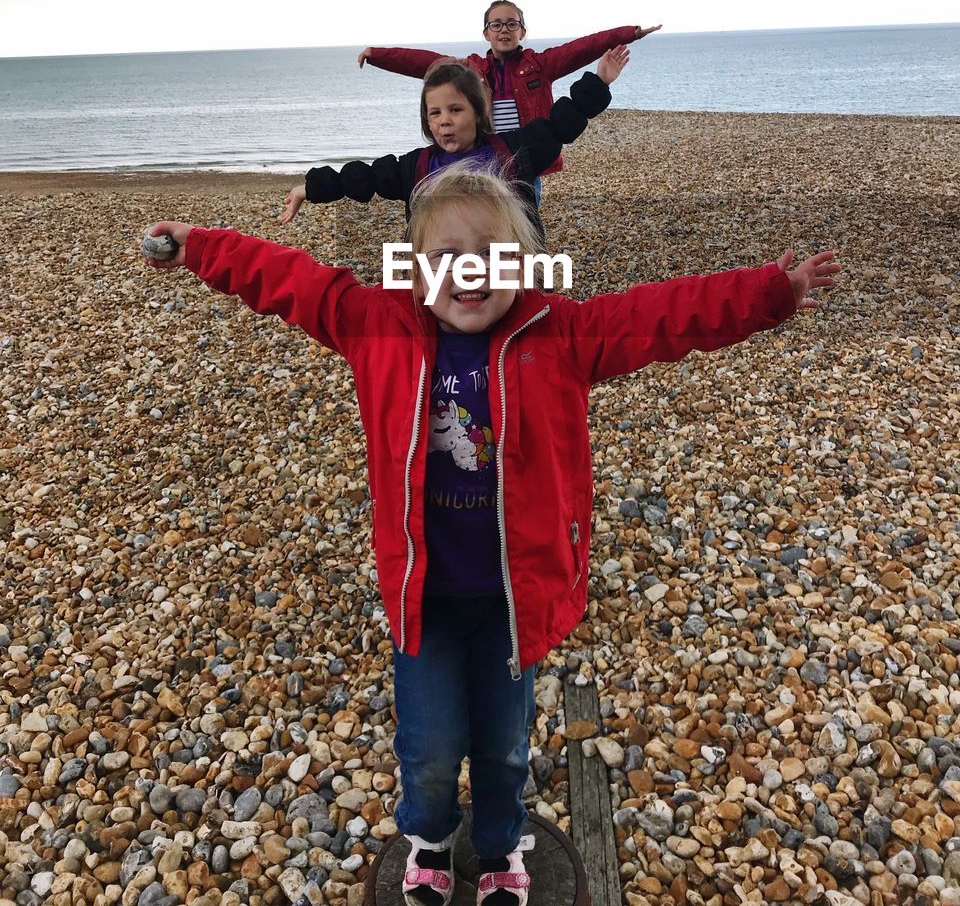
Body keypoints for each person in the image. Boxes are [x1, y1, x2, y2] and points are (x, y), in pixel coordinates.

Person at [144, 167, 839, 906]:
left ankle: (504, 847)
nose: (469, 273)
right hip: (426, 601)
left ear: (524, 265)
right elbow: (285, 279)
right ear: (414, 270)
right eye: (446, 257)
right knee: (431, 748)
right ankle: (431, 841)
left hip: (516, 599)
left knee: (506, 750)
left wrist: (769, 294)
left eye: (492, 255)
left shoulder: (561, 334)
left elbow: (661, 314)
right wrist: (199, 246)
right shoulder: (373, 324)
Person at [277, 45, 630, 243]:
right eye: (435, 113)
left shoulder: (510, 152)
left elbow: (561, 123)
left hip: (511, 273)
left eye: (455, 109)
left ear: (477, 113)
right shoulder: (416, 167)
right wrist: (308, 188)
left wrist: (600, 80)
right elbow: (363, 178)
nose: (444, 119)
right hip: (445, 282)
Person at [357, 0, 662, 202]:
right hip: (482, 159)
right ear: (486, 33)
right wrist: (377, 55)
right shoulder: (469, 68)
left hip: (525, 159)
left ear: (523, 31)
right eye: (496, 24)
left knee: (523, 226)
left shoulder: (541, 65)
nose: (504, 29)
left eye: (511, 23)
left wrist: (631, 32)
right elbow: (423, 63)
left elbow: (584, 47)